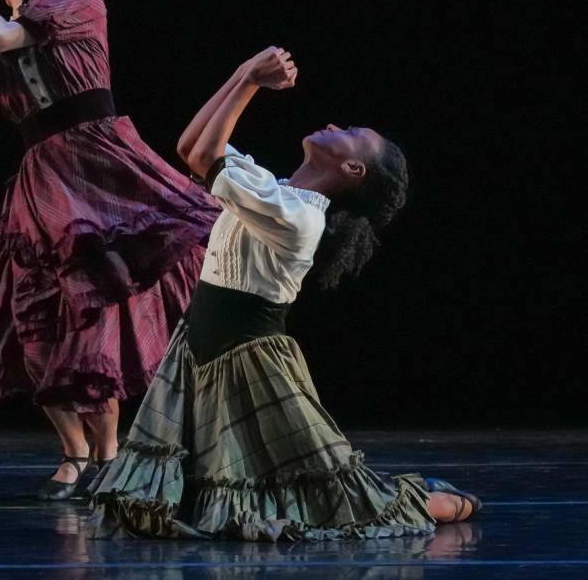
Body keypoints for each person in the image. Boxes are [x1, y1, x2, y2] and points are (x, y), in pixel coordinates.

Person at [89, 46, 480, 539]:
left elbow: (207, 157)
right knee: (250, 483)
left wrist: (252, 80)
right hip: (201, 350)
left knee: (331, 492)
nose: (336, 125)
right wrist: (241, 73)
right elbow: (192, 148)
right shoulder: (270, 187)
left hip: (248, 360)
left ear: (353, 169)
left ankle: (433, 503)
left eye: (351, 133)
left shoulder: (300, 218)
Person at [0, 0, 219, 499]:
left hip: (96, 158)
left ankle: (109, 453)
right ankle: (76, 451)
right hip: (45, 174)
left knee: (93, 302)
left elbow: (0, 38)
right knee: (34, 309)